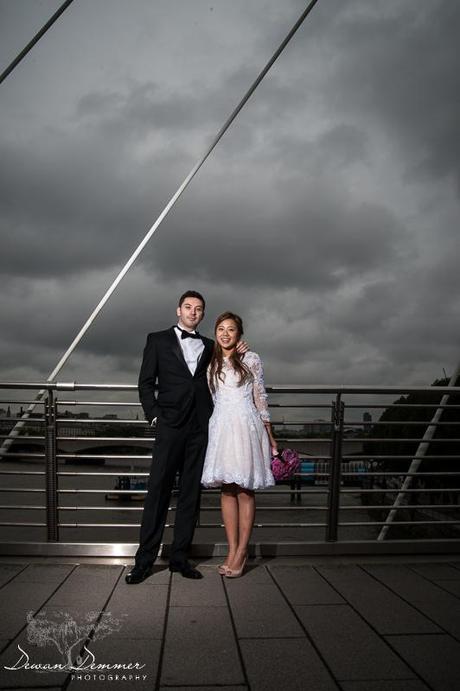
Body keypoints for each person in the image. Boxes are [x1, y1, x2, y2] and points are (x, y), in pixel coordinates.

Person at [126, 291, 246, 584]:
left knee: (191, 495)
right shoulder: (157, 340)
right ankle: (144, 561)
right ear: (178, 310)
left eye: (199, 309)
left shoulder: (210, 346)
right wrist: (154, 414)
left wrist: (240, 351)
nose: (193, 312)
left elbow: (227, 367)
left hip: (200, 428)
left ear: (203, 315)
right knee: (158, 492)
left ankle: (180, 558)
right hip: (169, 425)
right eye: (189, 307)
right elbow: (145, 383)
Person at [201, 312, 277, 578]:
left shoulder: (251, 358)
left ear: (239, 334)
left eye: (231, 329)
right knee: (226, 489)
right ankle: (231, 550)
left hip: (246, 426)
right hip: (221, 426)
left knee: (245, 489)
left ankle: (243, 551)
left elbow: (260, 396)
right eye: (220, 329)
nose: (225, 334)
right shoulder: (210, 360)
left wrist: (270, 434)